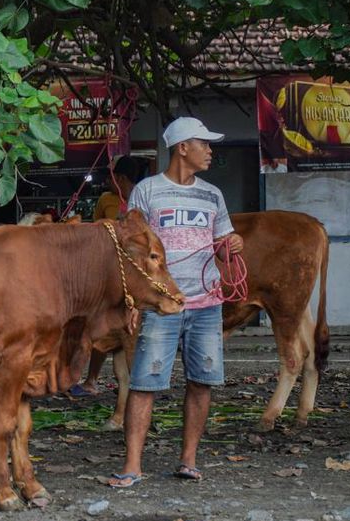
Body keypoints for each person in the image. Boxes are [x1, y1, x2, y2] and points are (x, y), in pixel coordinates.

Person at [109, 117, 243, 488]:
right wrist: (133, 301)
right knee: (144, 382)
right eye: (204, 143)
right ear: (183, 147)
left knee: (202, 382)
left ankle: (188, 461)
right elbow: (130, 250)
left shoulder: (213, 195)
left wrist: (234, 245)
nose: (210, 150)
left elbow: (225, 244)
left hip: (206, 303)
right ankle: (132, 466)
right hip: (160, 305)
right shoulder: (147, 192)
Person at [70, 155, 144, 397]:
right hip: (109, 269)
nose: (109, 182)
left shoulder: (144, 196)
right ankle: (90, 379)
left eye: (113, 177)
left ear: (120, 178)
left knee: (113, 327)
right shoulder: (106, 199)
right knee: (104, 326)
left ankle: (136, 392)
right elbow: (97, 231)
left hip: (133, 272)